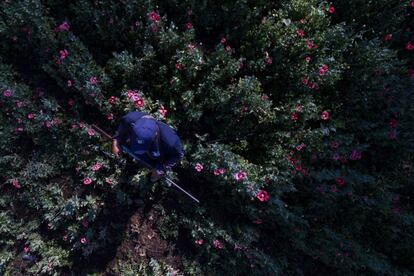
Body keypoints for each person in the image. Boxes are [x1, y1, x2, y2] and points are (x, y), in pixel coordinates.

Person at [112, 111, 185, 182]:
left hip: (158, 156)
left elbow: (179, 155)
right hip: (137, 148)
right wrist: (116, 141)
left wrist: (161, 168)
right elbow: (123, 125)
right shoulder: (130, 118)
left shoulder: (171, 142)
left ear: (155, 135)